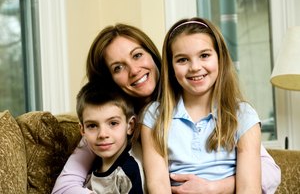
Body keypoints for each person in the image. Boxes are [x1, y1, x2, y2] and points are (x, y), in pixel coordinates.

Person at [52, 23, 280, 194]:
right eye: (119, 67)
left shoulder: (228, 111)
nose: (134, 70)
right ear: (108, 80)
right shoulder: (108, 128)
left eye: (138, 55)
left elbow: (270, 173)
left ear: (154, 56)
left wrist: (212, 187)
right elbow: (65, 187)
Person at [141, 17, 268, 194]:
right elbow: (157, 185)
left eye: (204, 55)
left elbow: (249, 188)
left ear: (220, 59)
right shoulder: (155, 115)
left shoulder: (243, 115)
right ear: (171, 67)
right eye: (182, 60)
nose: (195, 67)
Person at [73, 81, 145, 193]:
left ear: (130, 126)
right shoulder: (91, 167)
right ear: (82, 130)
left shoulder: (129, 171)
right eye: (92, 126)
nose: (102, 134)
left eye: (113, 123)